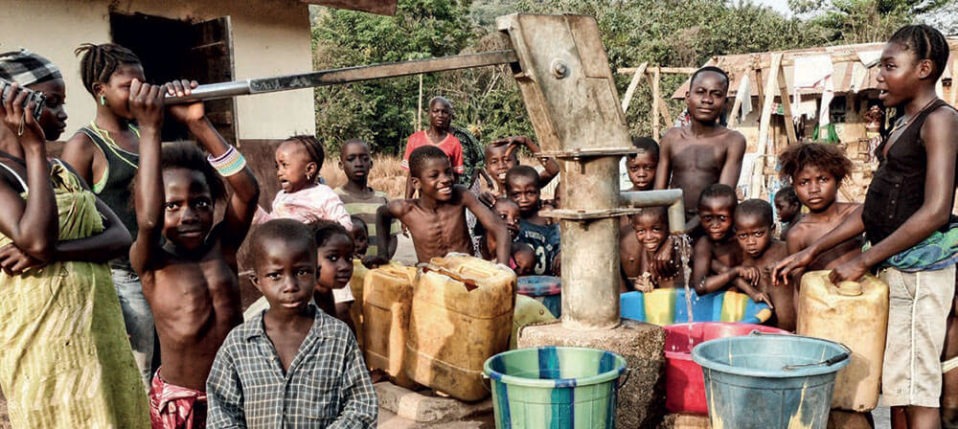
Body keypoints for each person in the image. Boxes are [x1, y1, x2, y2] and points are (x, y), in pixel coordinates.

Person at [774, 25, 958, 429]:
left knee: (917, 389)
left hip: (922, 272)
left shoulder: (940, 120)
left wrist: (863, 259)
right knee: (900, 386)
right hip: (900, 270)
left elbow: (936, 211)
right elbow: (873, 210)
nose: (879, 76)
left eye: (890, 66)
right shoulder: (902, 122)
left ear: (924, 69)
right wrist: (811, 250)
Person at [0, 49, 149, 427]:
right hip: (43, 348)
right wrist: (34, 147)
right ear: (14, 106)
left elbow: (118, 236)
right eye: (52, 103)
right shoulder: (5, 173)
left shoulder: (61, 171)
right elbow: (35, 241)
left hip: (97, 341)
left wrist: (57, 253)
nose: (64, 114)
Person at [129, 79, 260, 428]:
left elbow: (248, 192)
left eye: (200, 203)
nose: (189, 214)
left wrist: (198, 123)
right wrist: (150, 128)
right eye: (174, 205)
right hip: (182, 402)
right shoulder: (152, 261)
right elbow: (149, 218)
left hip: (235, 393)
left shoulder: (222, 247)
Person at [206, 219, 377, 428]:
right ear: (257, 281)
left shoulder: (338, 338)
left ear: (316, 272)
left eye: (302, 272)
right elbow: (221, 409)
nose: (290, 286)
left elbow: (361, 404)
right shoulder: (239, 343)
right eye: (275, 275)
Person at [60, 42, 156, 386]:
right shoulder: (84, 145)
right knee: (139, 376)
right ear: (100, 91)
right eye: (128, 86)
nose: (139, 92)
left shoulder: (143, 131)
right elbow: (72, 219)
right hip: (121, 278)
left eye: (143, 84)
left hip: (159, 268)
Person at [378, 145, 510, 264]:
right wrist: (383, 254)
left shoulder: (461, 195)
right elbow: (381, 214)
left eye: (448, 172)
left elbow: (499, 229)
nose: (446, 179)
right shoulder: (407, 210)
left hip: (467, 275)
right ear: (416, 183)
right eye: (434, 176)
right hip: (432, 280)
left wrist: (503, 269)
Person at [655, 66, 746, 233]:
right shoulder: (671, 138)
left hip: (713, 228)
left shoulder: (732, 141)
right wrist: (665, 231)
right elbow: (658, 195)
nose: (707, 100)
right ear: (688, 98)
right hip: (673, 221)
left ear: (725, 102)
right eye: (700, 92)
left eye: (716, 94)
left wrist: (681, 232)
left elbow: (722, 198)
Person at [777, 143, 862, 281]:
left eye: (823, 179)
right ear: (794, 187)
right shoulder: (798, 234)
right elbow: (801, 286)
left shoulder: (854, 214)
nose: (813, 189)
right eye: (804, 182)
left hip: (865, 297)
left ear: (838, 181)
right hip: (823, 301)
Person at [690, 184, 768, 306]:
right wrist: (736, 271)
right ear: (699, 216)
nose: (715, 225)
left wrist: (752, 292)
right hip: (719, 305)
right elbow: (700, 286)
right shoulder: (705, 244)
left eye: (722, 218)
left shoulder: (744, 236)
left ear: (734, 215)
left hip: (747, 302)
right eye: (708, 218)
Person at [255, 135, 352, 230]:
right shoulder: (281, 197)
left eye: (284, 165)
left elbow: (346, 226)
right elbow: (273, 226)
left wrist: (317, 229)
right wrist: (256, 213)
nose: (279, 172)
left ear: (310, 169)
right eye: (277, 166)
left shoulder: (323, 195)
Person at [334, 138, 397, 260]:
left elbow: (392, 238)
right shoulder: (334, 199)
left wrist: (383, 260)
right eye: (351, 159)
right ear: (341, 165)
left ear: (371, 163)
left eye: (364, 158)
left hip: (378, 272)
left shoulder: (383, 199)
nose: (358, 164)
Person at [734, 199, 791, 330]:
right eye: (743, 236)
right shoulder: (741, 256)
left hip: (789, 330)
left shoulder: (786, 250)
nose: (751, 242)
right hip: (757, 329)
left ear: (772, 229)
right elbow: (731, 277)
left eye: (758, 234)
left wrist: (785, 267)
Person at [403, 96, 465, 199]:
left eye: (444, 112)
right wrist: (407, 202)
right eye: (436, 111)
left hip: (444, 202)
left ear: (449, 116)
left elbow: (455, 177)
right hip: (423, 202)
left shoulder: (454, 143)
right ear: (429, 113)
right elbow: (411, 175)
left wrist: (454, 204)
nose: (440, 115)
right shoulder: (415, 139)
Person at [472, 135, 559, 204]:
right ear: (487, 169)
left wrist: (527, 142)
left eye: (507, 160)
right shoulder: (490, 200)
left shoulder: (528, 187)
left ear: (517, 163)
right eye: (494, 162)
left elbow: (553, 170)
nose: (502, 166)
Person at [507, 165, 561, 276]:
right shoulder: (506, 222)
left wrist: (561, 252)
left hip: (548, 283)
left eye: (530, 193)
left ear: (539, 192)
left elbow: (559, 241)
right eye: (516, 194)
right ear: (507, 194)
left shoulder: (548, 219)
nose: (524, 199)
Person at [619, 207, 679, 293]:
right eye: (641, 231)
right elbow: (645, 276)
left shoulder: (678, 249)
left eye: (656, 229)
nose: (648, 237)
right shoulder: (648, 250)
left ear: (669, 227)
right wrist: (642, 284)